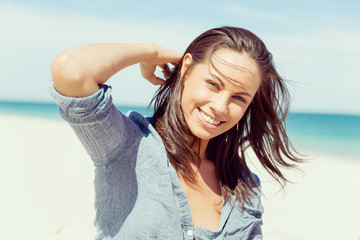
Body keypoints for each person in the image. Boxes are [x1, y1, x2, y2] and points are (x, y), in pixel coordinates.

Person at [49, 26, 301, 239]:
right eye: (213, 84)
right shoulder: (127, 145)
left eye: (239, 98)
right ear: (187, 69)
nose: (220, 107)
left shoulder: (244, 186)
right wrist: (150, 52)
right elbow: (70, 70)